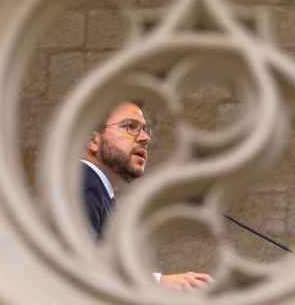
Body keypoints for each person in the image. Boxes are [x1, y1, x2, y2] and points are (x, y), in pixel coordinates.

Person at [82, 101, 214, 291]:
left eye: (145, 130)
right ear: (93, 140)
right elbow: (76, 268)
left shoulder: (101, 193)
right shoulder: (83, 182)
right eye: (130, 127)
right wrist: (159, 283)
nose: (145, 138)